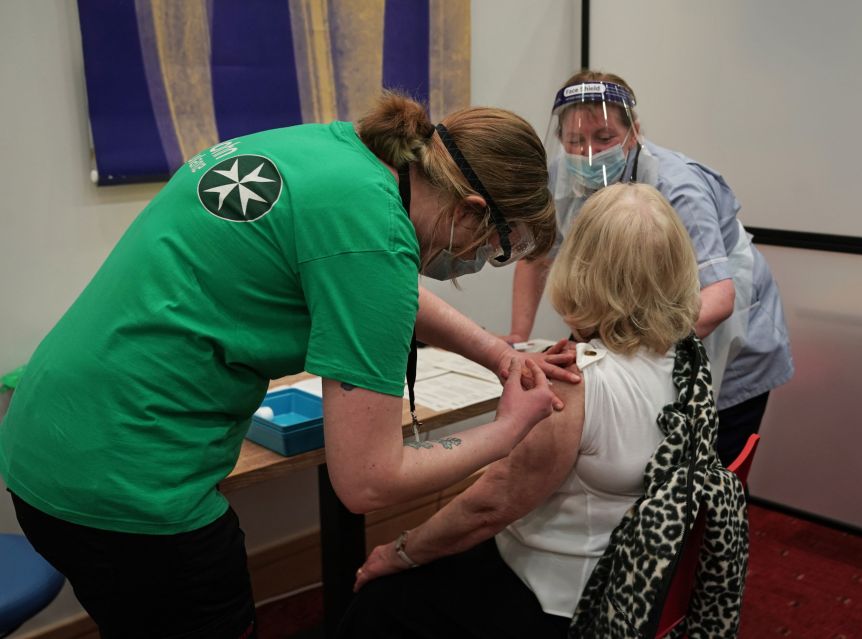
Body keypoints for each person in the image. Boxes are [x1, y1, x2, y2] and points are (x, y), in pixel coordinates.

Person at [0, 92, 582, 639]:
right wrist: (509, 428)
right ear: (473, 210)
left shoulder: (345, 155)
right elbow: (368, 481)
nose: (483, 261)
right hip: (126, 485)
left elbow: (374, 278)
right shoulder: (373, 235)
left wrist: (498, 354)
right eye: (498, 248)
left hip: (45, 443)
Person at [337, 182, 746, 638]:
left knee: (379, 601)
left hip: (563, 601)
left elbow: (491, 506)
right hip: (641, 583)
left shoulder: (575, 384)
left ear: (583, 268)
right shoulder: (690, 361)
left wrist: (399, 551)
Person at [505, 70, 794, 467]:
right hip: (642, 329)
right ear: (561, 142)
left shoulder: (679, 187)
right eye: (575, 141)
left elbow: (718, 298)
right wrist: (518, 339)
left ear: (634, 131)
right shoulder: (562, 176)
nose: (589, 153)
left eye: (604, 138)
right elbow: (537, 257)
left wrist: (627, 355)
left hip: (726, 337)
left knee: (706, 472)